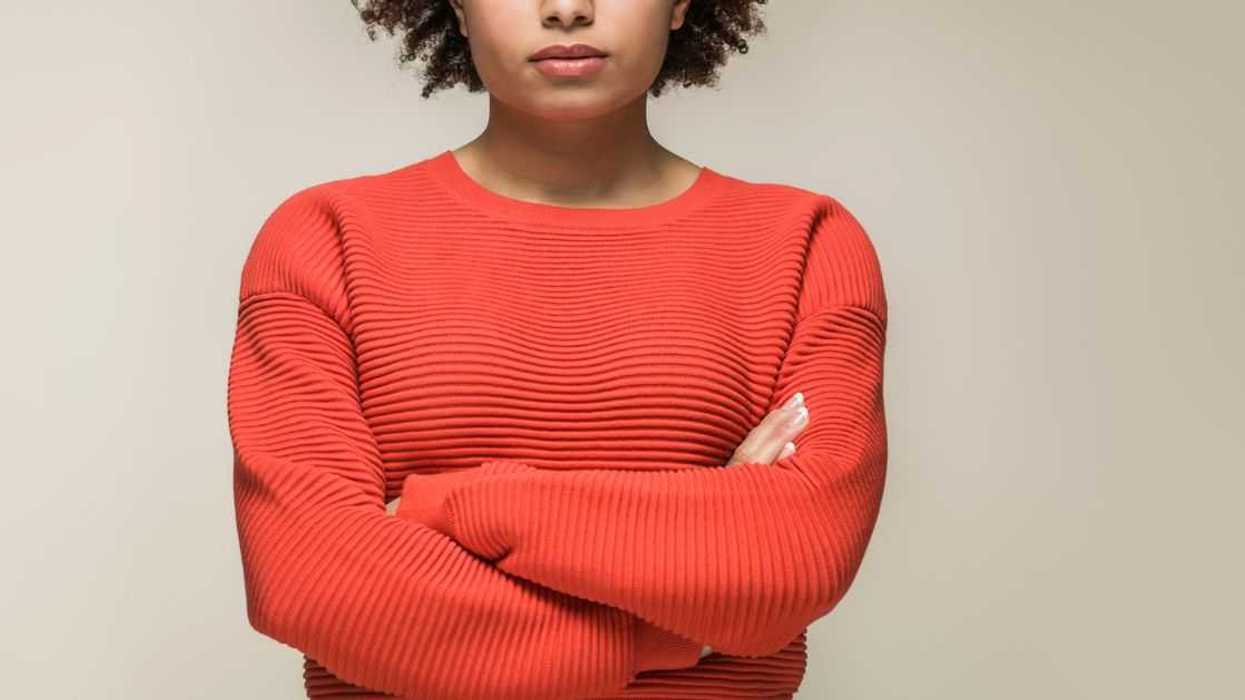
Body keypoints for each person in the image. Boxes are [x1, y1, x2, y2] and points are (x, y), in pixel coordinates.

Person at [225, 1, 889, 698]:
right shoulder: (325, 237)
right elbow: (314, 586)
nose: (566, 9)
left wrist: (442, 508)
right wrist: (678, 625)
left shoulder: (805, 242)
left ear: (681, 4)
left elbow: (797, 562)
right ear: (456, 4)